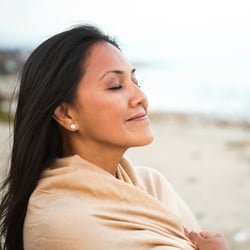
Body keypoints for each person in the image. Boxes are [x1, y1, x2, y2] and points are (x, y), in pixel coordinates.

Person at [0, 25, 230, 250]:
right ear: (64, 112)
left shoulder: (153, 185)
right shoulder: (60, 220)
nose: (140, 97)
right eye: (115, 86)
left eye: (136, 82)